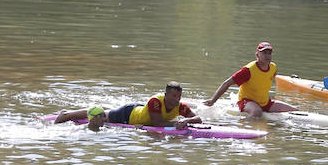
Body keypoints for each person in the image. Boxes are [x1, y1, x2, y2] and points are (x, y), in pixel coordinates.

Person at [56, 81, 203, 129]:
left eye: (178, 96)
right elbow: (156, 123)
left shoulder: (181, 106)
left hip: (139, 109)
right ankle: (67, 114)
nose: (176, 100)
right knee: (103, 116)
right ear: (166, 95)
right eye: (173, 96)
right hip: (129, 116)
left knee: (109, 111)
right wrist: (175, 123)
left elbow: (198, 118)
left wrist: (186, 120)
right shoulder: (156, 101)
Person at [204, 41, 296, 115]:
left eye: (269, 53)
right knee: (257, 112)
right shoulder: (248, 70)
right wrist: (213, 101)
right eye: (264, 53)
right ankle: (247, 129)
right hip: (246, 102)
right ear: (257, 55)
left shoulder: (273, 67)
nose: (267, 56)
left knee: (295, 111)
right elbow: (227, 83)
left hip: (265, 103)